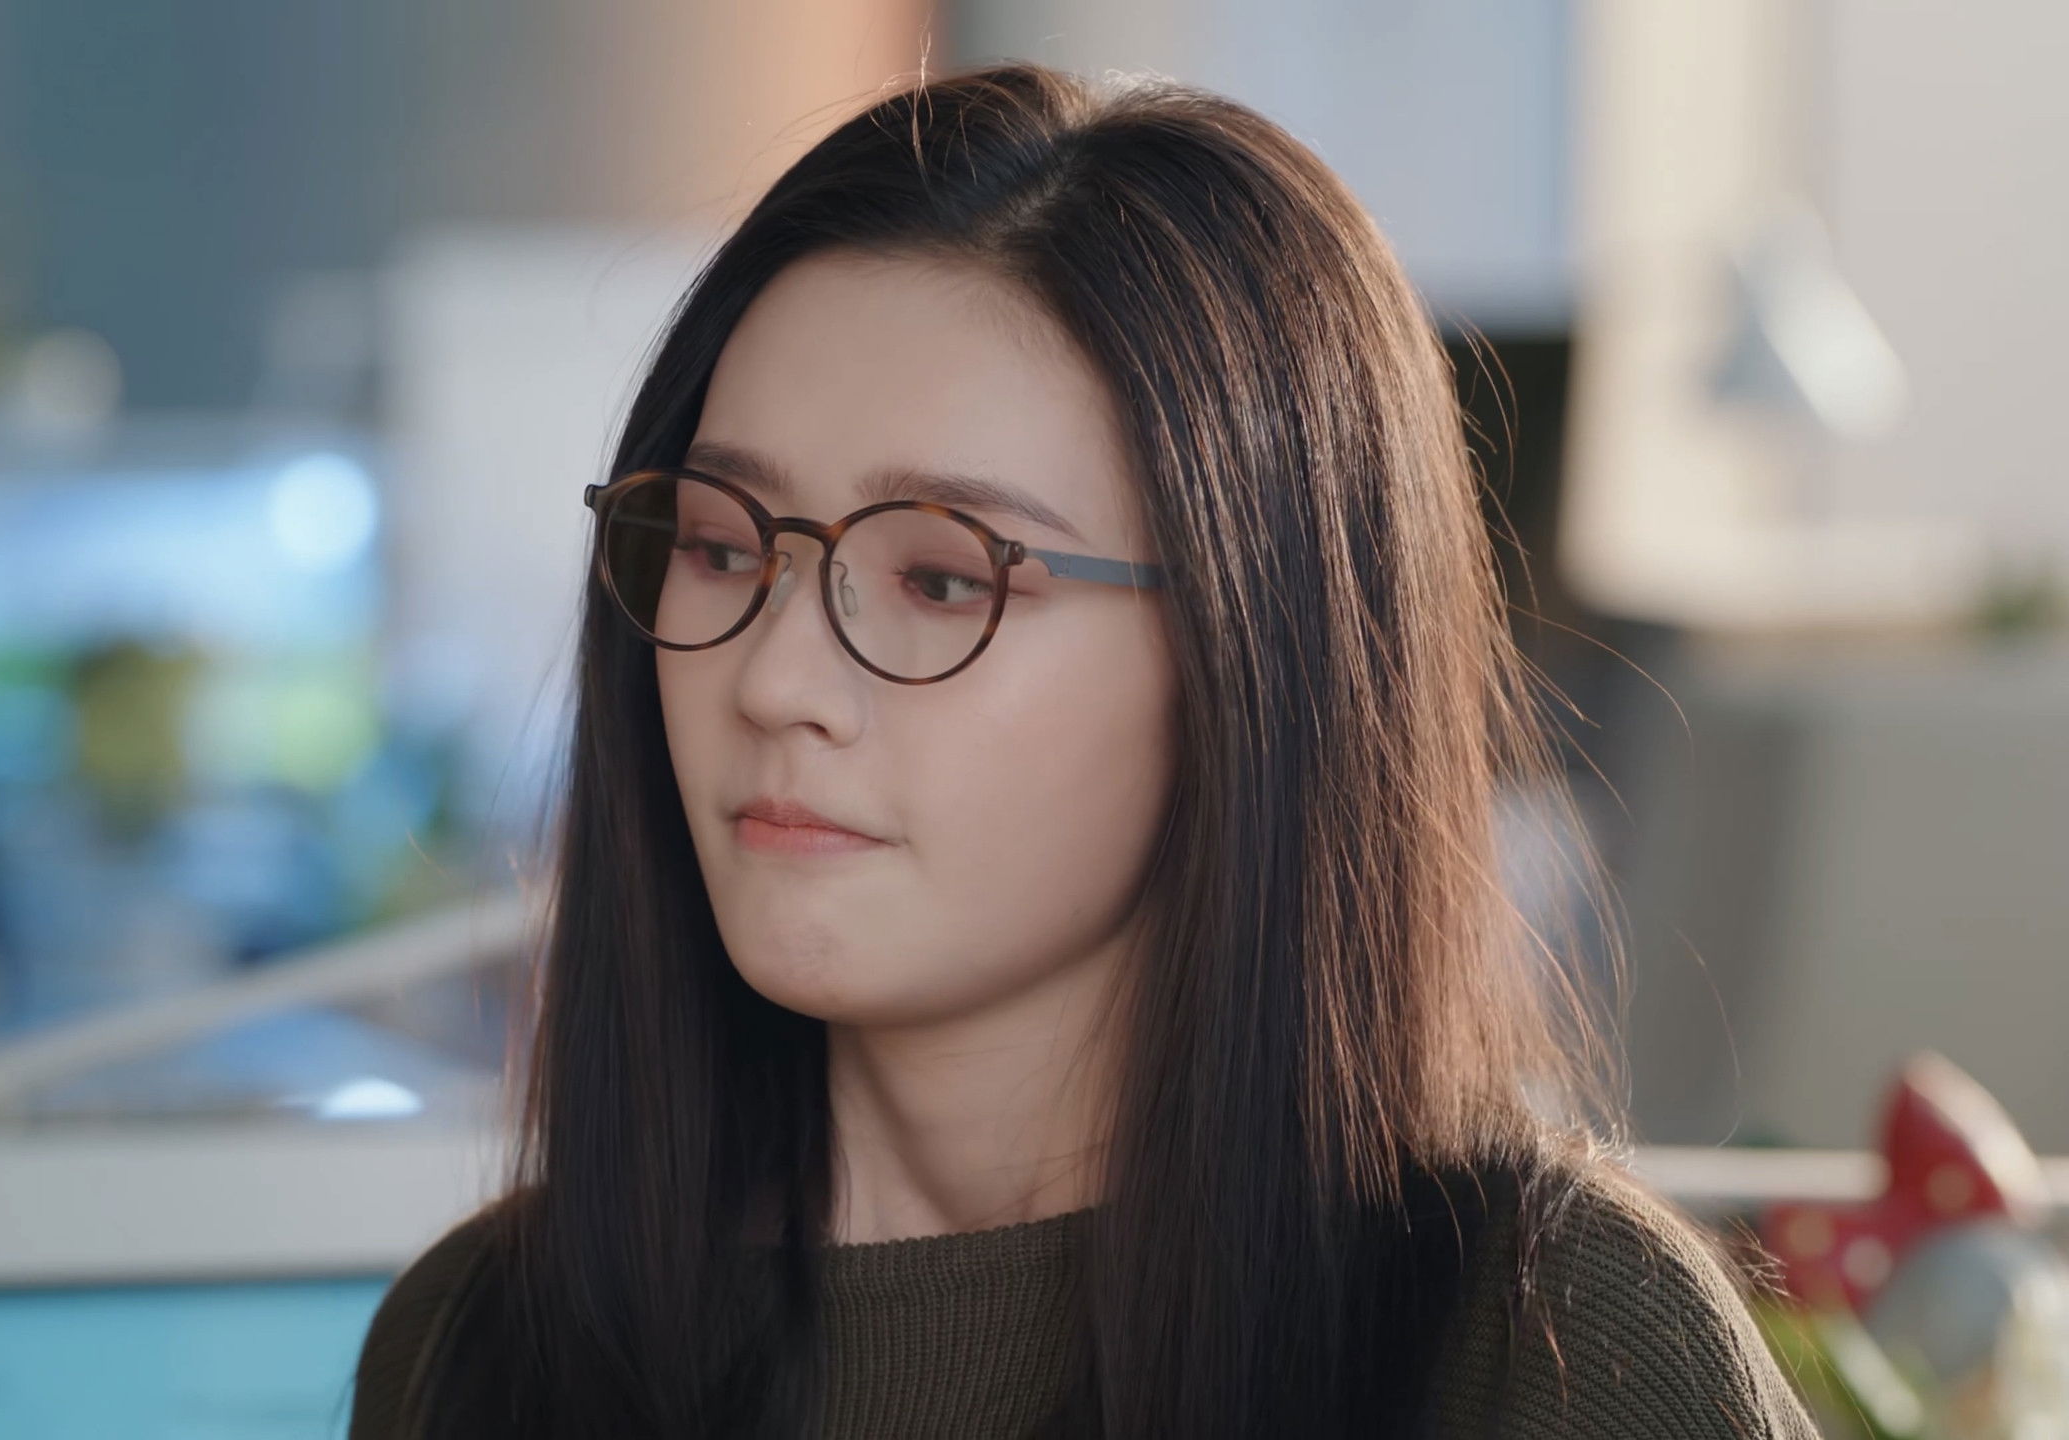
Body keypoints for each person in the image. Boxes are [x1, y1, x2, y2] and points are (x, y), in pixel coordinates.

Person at [349, 61, 1822, 1440]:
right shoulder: (481, 1350)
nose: (776, 680)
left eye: (945, 579)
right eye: (724, 548)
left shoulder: (1552, 1350)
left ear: (1250, 658)